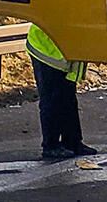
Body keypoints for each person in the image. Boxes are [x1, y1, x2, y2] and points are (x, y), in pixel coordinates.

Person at [25, 24, 98, 159]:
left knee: (67, 98)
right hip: (47, 51)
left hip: (60, 52)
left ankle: (72, 141)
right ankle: (51, 145)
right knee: (51, 100)